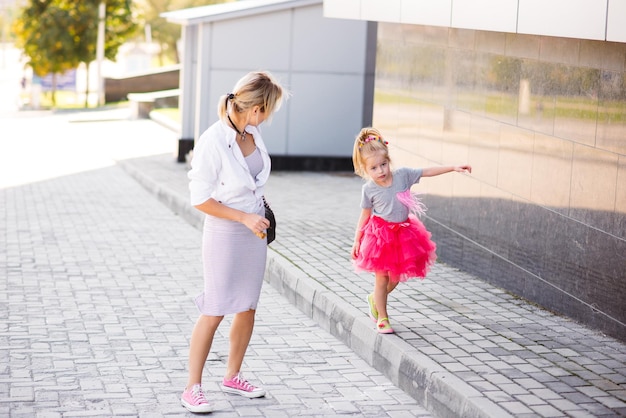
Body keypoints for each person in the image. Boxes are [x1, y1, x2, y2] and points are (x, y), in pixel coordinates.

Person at [181, 71, 288, 413]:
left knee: (247, 306)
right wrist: (243, 217)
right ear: (255, 107)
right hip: (226, 233)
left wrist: (255, 215)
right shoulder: (213, 141)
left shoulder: (251, 131)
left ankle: (232, 375)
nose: (268, 118)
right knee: (214, 309)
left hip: (253, 232)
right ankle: (192, 388)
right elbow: (199, 199)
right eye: (268, 110)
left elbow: (252, 181)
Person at [350, 127, 471, 334]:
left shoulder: (403, 176)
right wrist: (357, 240)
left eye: (384, 164)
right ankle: (383, 318)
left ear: (389, 160)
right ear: (364, 169)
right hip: (381, 237)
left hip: (403, 234)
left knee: (395, 278)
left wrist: (452, 167)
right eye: (374, 168)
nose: (381, 171)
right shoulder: (368, 189)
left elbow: (426, 171)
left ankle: (374, 299)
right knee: (381, 278)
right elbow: (365, 216)